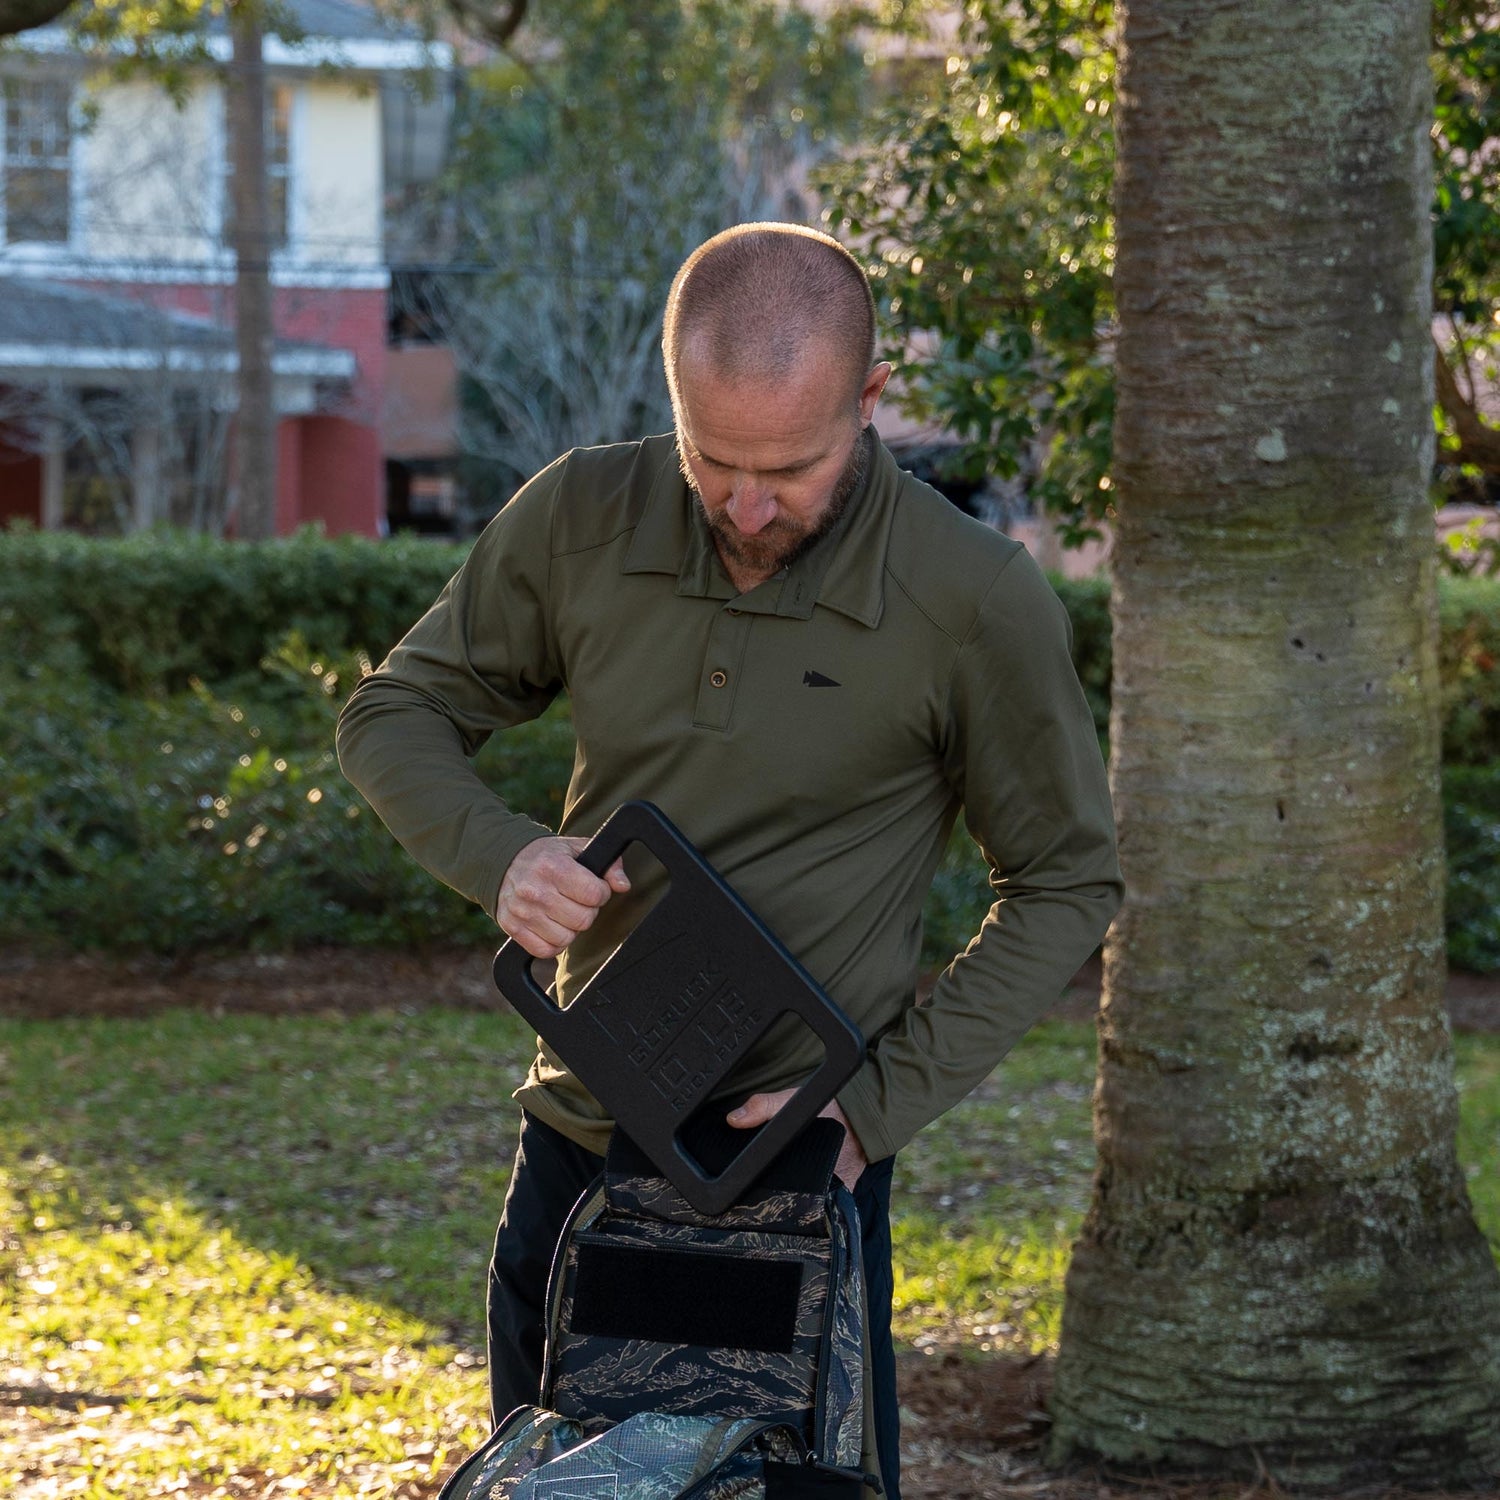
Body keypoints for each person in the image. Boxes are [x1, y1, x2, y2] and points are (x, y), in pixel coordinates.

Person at [336, 222, 1122, 1500]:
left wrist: (876, 1109)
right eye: (714, 462)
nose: (749, 507)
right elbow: (394, 713)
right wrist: (505, 856)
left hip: (799, 1176)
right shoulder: (582, 515)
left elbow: (1068, 879)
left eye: (791, 470)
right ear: (674, 400)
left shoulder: (973, 597)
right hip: (579, 1152)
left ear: (872, 402)